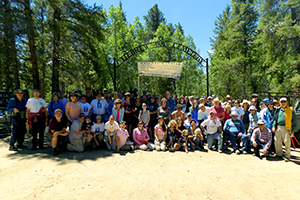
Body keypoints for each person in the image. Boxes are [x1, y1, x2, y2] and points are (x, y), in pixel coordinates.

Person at [272, 97, 297, 162]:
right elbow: (275, 119)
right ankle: (279, 154)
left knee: (287, 142)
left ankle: (287, 156)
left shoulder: (291, 110)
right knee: (277, 141)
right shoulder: (278, 109)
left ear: (287, 102)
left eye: (284, 101)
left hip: (287, 128)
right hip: (278, 127)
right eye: (281, 102)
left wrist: (293, 130)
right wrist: (273, 126)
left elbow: (294, 121)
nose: (283, 103)